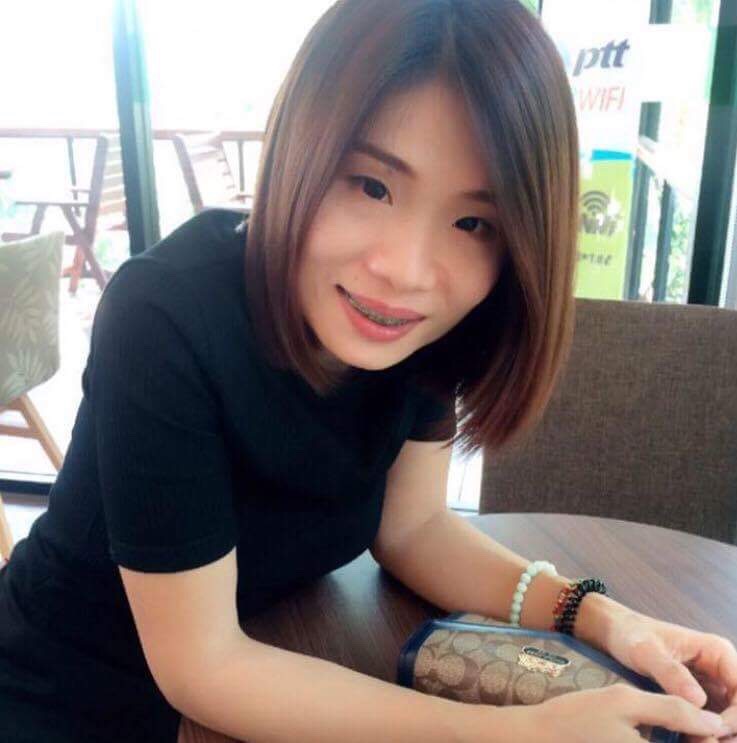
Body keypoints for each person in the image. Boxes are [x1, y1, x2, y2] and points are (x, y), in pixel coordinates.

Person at [1, 0, 736, 741]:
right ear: (300, 148)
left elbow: (414, 528)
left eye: (472, 223)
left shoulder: (422, 331)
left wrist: (606, 620)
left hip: (274, 674)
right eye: (370, 185)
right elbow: (204, 665)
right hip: (61, 694)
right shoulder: (166, 315)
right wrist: (520, 734)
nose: (404, 271)